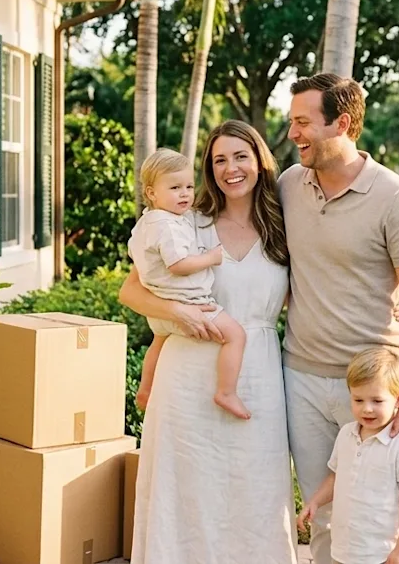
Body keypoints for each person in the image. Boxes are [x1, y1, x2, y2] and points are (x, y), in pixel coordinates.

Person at [119, 121, 296, 564]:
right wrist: (177, 312)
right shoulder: (186, 222)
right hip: (187, 375)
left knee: (255, 490)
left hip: (257, 372)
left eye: (240, 157)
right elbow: (131, 292)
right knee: (186, 489)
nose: (230, 168)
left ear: (260, 161)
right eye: (219, 159)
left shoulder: (283, 224)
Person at [280, 73, 399, 564]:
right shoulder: (288, 185)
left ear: (342, 124)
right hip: (302, 378)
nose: (293, 134)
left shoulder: (398, 199)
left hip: (375, 388)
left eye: (303, 123)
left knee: (389, 515)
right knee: (324, 515)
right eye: (292, 123)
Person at [129, 148, 250, 420]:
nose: (184, 194)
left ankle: (146, 389)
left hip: (159, 308)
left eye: (188, 186)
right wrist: (211, 257)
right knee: (236, 336)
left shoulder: (147, 222)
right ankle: (226, 392)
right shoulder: (169, 225)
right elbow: (178, 264)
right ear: (151, 193)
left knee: (157, 343)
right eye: (175, 188)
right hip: (190, 302)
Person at [297, 347, 399, 564]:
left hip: (381, 552)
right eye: (358, 400)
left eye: (377, 401)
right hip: (347, 549)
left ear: (398, 400)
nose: (367, 409)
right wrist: (315, 502)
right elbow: (336, 476)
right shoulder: (346, 434)